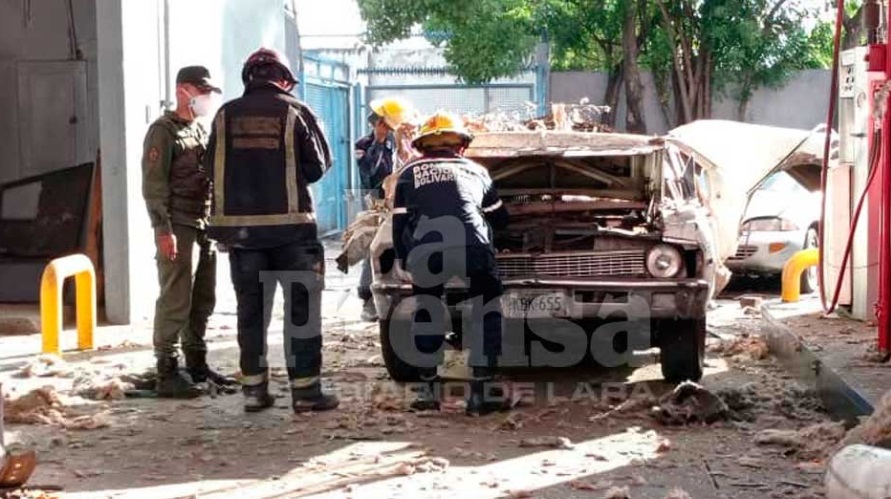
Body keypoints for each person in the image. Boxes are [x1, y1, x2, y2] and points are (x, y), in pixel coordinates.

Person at [205, 48, 339, 413]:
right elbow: (318, 167)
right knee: (301, 313)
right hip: (293, 235)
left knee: (251, 313)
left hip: (243, 238)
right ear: (283, 79)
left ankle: (254, 391)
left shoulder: (223, 115)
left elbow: (209, 167)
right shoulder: (297, 111)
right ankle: (307, 393)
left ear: (249, 78)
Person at [391, 111, 510, 416]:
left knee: (428, 310)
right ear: (460, 146)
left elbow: (399, 222)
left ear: (423, 146)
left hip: (427, 249)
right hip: (473, 245)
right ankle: (481, 394)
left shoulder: (408, 172)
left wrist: (405, 259)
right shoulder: (477, 170)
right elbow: (500, 218)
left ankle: (428, 392)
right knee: (486, 309)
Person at [141, 65, 234, 399]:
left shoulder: (198, 129)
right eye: (201, 91)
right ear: (183, 91)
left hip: (202, 223)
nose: (206, 98)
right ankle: (166, 369)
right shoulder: (163, 132)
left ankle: (196, 362)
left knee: (202, 297)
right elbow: (153, 187)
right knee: (175, 296)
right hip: (177, 225)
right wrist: (162, 230)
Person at [354, 97, 414, 322]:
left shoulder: (396, 141)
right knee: (375, 245)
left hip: (400, 200)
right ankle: (368, 299)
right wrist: (378, 142)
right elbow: (369, 173)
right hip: (377, 201)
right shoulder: (363, 144)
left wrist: (402, 144)